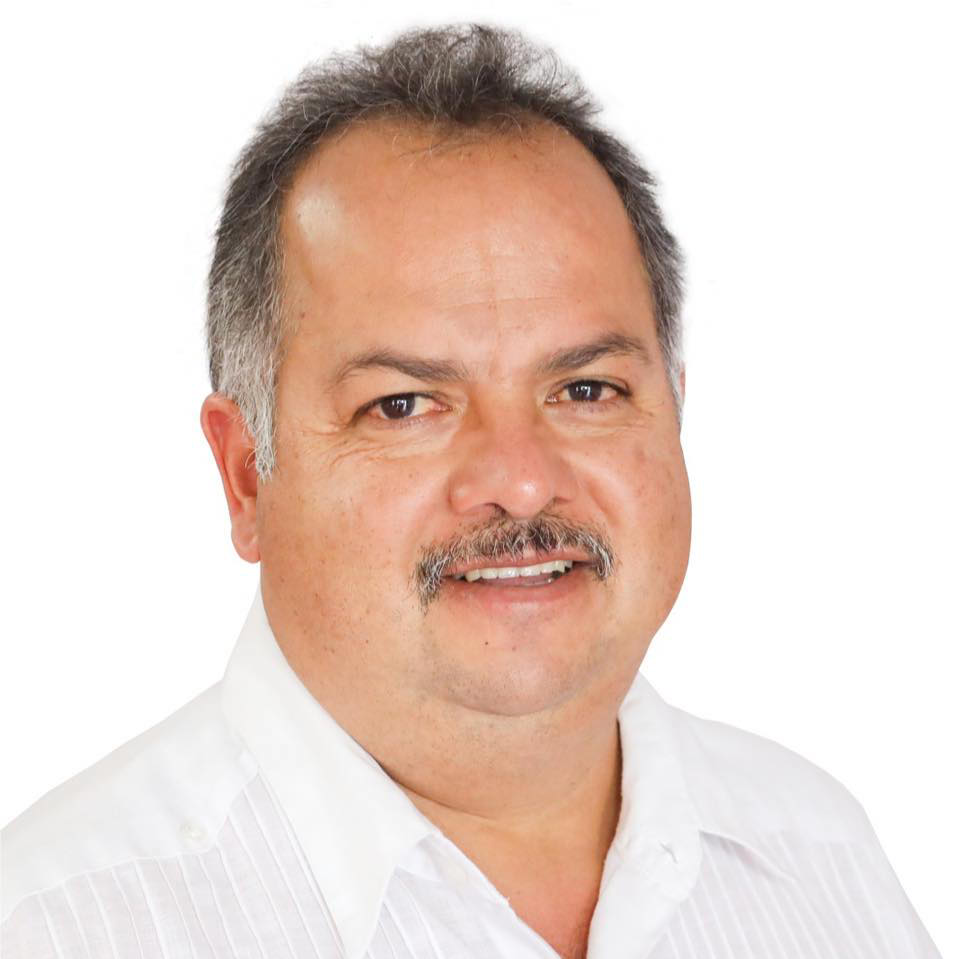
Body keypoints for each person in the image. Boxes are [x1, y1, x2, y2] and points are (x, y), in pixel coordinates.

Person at [0, 23, 942, 959]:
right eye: (404, 405)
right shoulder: (57, 925)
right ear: (247, 474)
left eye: (587, 390)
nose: (522, 480)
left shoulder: (824, 861)